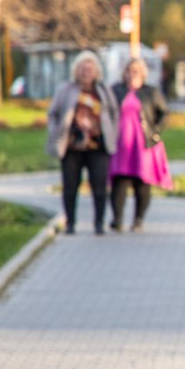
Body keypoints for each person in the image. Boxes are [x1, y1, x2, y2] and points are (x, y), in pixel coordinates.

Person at [46, 50, 119, 235]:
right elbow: (53, 113)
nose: (86, 72)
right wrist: (56, 131)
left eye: (90, 68)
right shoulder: (66, 89)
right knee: (70, 186)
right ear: (76, 70)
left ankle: (99, 223)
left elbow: (114, 113)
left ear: (96, 71)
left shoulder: (103, 90)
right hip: (72, 147)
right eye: (83, 68)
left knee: (100, 186)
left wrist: (112, 133)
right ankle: (70, 223)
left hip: (98, 146)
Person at [109, 58, 173, 232]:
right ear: (125, 72)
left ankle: (138, 219)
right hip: (121, 143)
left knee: (142, 182)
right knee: (119, 181)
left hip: (143, 142)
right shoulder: (116, 90)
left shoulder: (150, 92)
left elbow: (164, 113)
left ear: (143, 73)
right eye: (130, 70)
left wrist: (156, 133)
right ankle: (117, 219)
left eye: (137, 70)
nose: (133, 74)